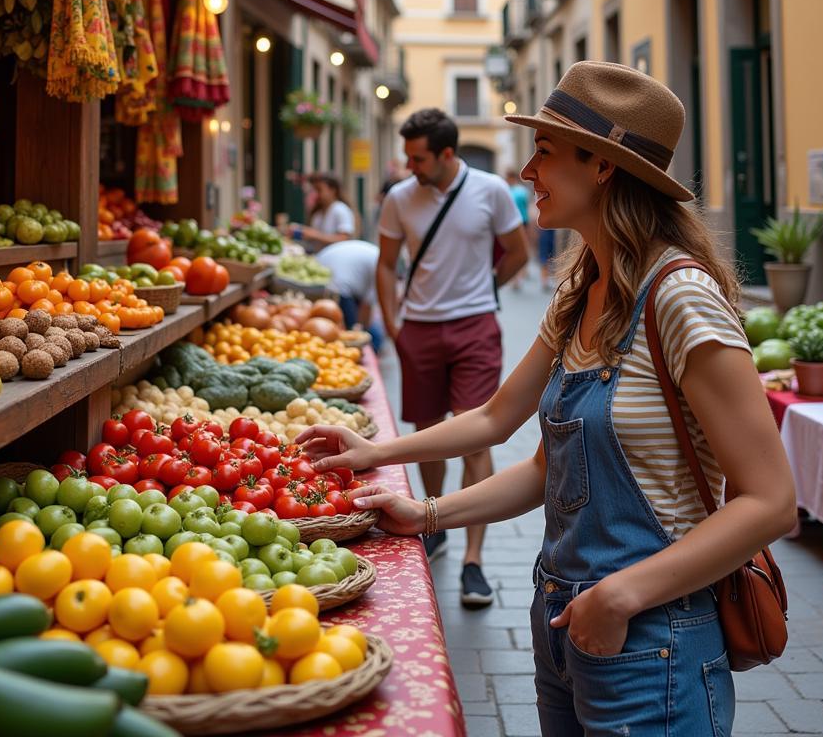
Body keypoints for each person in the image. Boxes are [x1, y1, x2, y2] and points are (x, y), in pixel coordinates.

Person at [297, 63, 796, 735]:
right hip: (562, 621)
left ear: (603, 169)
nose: (528, 171)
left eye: (546, 153)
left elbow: (771, 501)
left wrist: (620, 596)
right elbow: (514, 435)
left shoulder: (680, 298)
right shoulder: (581, 291)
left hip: (655, 640)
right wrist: (416, 499)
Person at [376, 108, 529, 607]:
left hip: (475, 329)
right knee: (428, 434)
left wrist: (486, 291)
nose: (410, 166)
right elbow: (385, 264)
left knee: (476, 433)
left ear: (446, 154)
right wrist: (395, 324)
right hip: (418, 329)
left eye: (418, 158)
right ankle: (434, 522)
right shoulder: (400, 198)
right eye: (408, 157)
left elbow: (518, 251)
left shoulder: (491, 190)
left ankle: (474, 560)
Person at [314, 239, 384, 352]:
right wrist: (360, 330)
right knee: (365, 335)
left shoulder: (376, 254)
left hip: (322, 265)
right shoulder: (382, 267)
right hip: (339, 284)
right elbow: (367, 307)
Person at [286, 173, 356, 251]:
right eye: (314, 190)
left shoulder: (340, 209)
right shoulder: (318, 212)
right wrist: (302, 231)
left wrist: (314, 235)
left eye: (319, 190)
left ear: (333, 190)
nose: (316, 194)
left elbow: (344, 238)